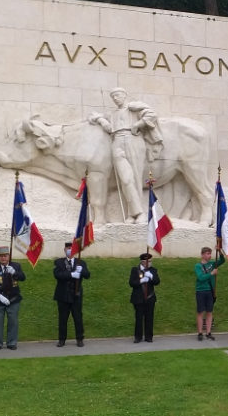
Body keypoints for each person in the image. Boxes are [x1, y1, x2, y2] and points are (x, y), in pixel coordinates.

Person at [88, 87, 163, 221]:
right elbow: (105, 125)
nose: (115, 98)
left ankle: (135, 215)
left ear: (124, 95)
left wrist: (138, 124)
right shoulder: (112, 114)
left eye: (117, 95)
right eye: (113, 97)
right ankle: (136, 212)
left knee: (135, 177)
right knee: (125, 179)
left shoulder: (133, 107)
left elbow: (152, 114)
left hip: (133, 139)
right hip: (117, 141)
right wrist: (101, 120)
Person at [0, 246, 26, 351]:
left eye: (5, 255)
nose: (3, 258)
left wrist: (15, 273)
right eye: (1, 256)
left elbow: (23, 277)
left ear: (9, 256)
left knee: (13, 322)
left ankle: (12, 342)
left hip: (13, 299)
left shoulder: (16, 266)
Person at [53, 242, 90, 347]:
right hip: (63, 295)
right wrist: (71, 274)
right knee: (63, 318)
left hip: (76, 295)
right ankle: (61, 339)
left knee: (78, 317)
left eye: (71, 248)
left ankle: (79, 338)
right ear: (64, 250)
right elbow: (57, 275)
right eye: (68, 248)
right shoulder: (59, 262)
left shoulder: (81, 262)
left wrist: (81, 271)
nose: (69, 250)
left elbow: (87, 275)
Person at [195, 246, 225, 341]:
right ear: (203, 255)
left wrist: (219, 250)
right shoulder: (198, 266)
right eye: (207, 254)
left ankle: (208, 332)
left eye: (210, 253)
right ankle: (200, 332)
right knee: (200, 312)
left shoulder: (212, 264)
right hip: (200, 291)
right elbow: (200, 277)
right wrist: (211, 274)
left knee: (209, 312)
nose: (209, 256)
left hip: (210, 291)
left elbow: (222, 260)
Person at [130, 253, 161, 343]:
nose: (150, 263)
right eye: (148, 261)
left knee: (149, 318)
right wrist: (141, 280)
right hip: (138, 298)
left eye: (151, 261)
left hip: (150, 298)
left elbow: (157, 282)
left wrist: (151, 276)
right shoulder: (135, 270)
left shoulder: (153, 270)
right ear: (143, 262)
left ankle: (149, 336)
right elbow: (131, 283)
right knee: (139, 318)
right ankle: (138, 337)